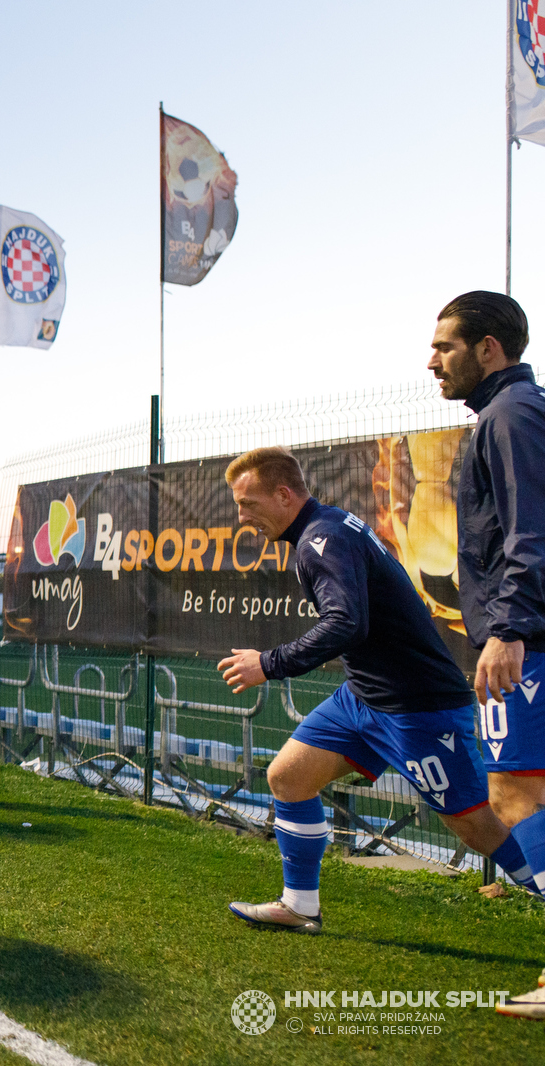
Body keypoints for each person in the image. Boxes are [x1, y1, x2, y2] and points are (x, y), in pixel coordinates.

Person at [216, 446, 537, 935]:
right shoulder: (325, 527)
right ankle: (300, 906)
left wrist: (269, 663)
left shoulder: (319, 539)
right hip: (362, 699)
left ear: (283, 495)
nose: (243, 518)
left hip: (417, 706)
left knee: (478, 826)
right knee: (288, 778)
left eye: (249, 504)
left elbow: (347, 622)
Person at [428, 291, 545, 1019]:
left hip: (526, 641)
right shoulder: (510, 414)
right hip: (528, 633)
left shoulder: (510, 416)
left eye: (444, 346)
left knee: (515, 798)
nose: (431, 360)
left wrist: (508, 629)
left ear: (489, 349)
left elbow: (529, 533)